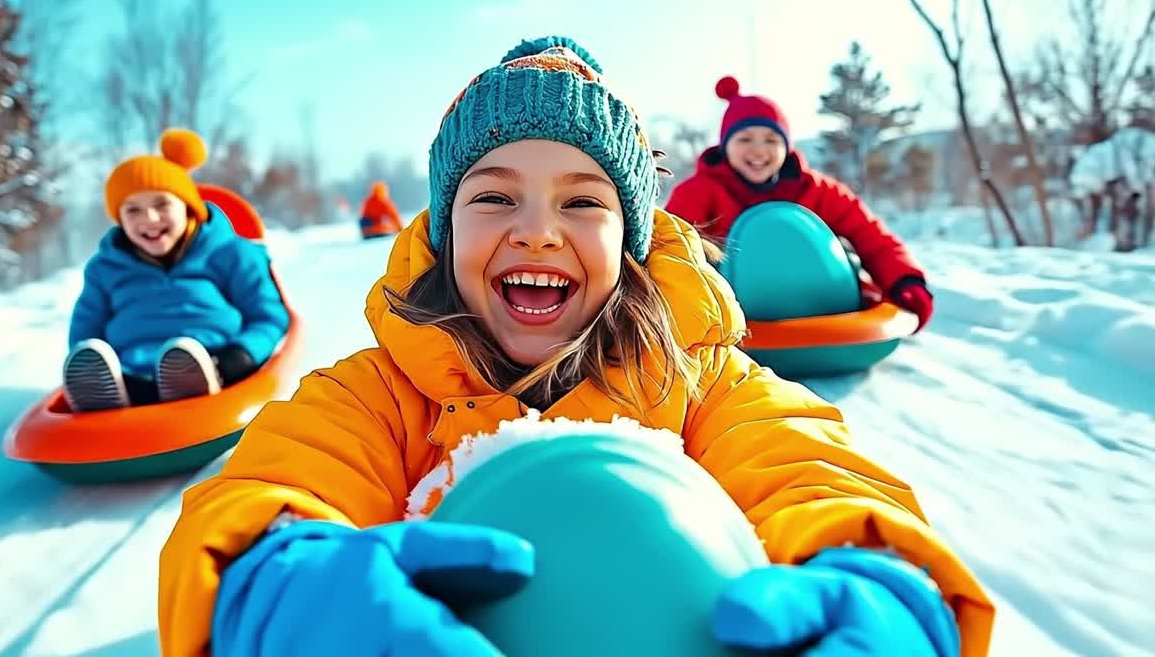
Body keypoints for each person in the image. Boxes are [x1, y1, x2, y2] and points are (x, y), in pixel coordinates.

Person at [158, 37, 993, 657]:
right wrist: (278, 591)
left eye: (583, 202)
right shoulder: (378, 393)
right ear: (444, 234)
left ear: (630, 239)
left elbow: (806, 466)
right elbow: (271, 484)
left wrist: (882, 586)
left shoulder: (701, 383)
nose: (538, 230)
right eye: (493, 197)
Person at [666, 77, 934, 330]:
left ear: (787, 147)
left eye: (771, 140)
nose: (759, 150)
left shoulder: (816, 190)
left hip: (823, 306)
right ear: (725, 146)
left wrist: (905, 280)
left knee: (829, 243)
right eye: (745, 139)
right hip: (734, 313)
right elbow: (668, 249)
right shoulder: (699, 192)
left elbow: (870, 234)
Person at [63, 129, 290, 411]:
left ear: (188, 207)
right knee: (127, 380)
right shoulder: (105, 268)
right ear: (119, 219)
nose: (150, 219)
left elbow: (269, 316)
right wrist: (88, 360)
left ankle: (186, 389)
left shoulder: (232, 253)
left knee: (192, 364)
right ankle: (109, 399)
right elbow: (86, 331)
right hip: (130, 375)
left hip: (217, 364)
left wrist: (241, 354)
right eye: (133, 210)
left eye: (162, 204)